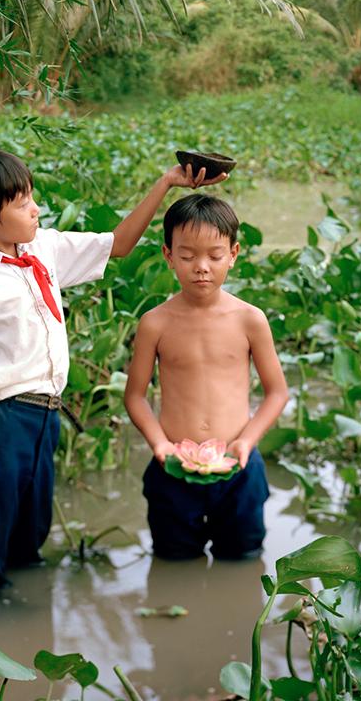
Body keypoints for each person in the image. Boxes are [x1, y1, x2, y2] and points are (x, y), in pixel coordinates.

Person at [0, 147, 224, 591]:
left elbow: (119, 244)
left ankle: (26, 630)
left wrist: (167, 183)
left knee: (29, 542)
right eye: (23, 202)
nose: (37, 209)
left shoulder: (42, 249)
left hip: (45, 419)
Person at [124, 195, 289, 560]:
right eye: (187, 256)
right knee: (173, 561)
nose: (201, 267)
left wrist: (247, 441)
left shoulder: (250, 319)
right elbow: (135, 396)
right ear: (168, 255)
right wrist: (159, 444)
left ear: (234, 253)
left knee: (242, 562)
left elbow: (277, 392)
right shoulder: (155, 322)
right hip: (173, 466)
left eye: (214, 256)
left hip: (237, 465)